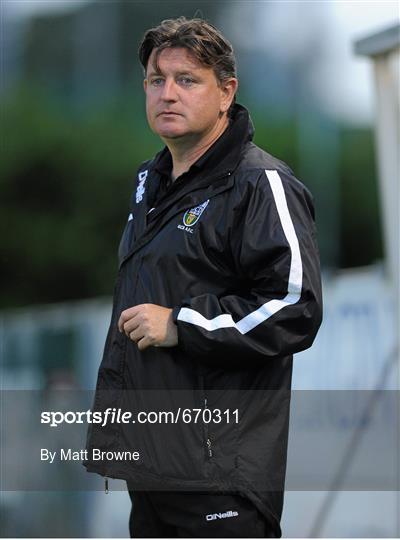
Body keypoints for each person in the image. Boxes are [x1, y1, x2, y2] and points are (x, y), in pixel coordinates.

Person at [84, 16, 322, 538]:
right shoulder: (149, 183)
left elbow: (294, 307)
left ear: (225, 92)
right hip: (151, 466)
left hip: (219, 477)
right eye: (156, 80)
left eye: (187, 80)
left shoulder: (262, 184)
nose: (167, 93)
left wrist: (182, 323)